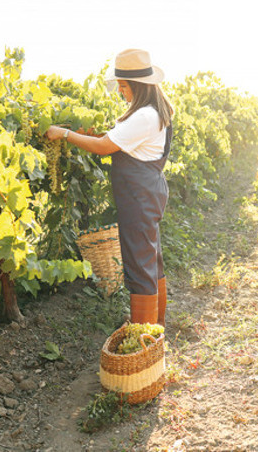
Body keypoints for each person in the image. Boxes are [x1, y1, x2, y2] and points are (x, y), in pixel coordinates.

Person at [45, 48, 173, 326]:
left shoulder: (143, 116)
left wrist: (65, 133)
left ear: (138, 86)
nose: (121, 92)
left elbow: (104, 147)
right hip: (147, 194)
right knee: (151, 261)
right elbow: (117, 139)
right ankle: (156, 326)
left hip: (139, 199)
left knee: (139, 267)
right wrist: (90, 134)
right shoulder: (153, 113)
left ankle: (143, 336)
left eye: (124, 86)